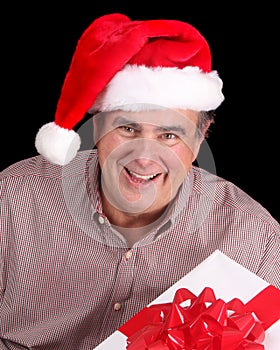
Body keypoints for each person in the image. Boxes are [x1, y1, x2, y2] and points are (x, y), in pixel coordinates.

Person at [0, 13, 279, 350]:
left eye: (169, 135)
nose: (144, 158)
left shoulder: (254, 237)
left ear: (200, 137)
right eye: (128, 129)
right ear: (98, 126)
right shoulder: (13, 198)